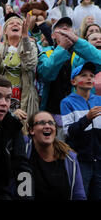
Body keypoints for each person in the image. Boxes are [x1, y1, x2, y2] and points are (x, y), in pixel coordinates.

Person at [37, 17, 101, 139]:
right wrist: (62, 48)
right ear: (53, 35)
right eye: (60, 28)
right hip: (51, 117)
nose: (65, 29)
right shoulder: (46, 53)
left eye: (68, 28)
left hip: (81, 115)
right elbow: (46, 74)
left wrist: (77, 41)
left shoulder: (81, 55)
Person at [0, 14, 39, 126]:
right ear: (5, 31)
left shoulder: (30, 44)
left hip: (24, 97)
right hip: (2, 96)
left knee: (23, 130)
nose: (15, 24)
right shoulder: (0, 46)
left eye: (18, 23)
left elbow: (30, 64)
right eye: (11, 23)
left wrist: (25, 37)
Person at [61, 62, 101, 200]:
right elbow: (68, 132)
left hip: (99, 160)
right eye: (83, 75)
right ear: (73, 81)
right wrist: (87, 118)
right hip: (81, 160)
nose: (89, 78)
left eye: (91, 75)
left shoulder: (100, 100)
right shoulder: (67, 102)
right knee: (80, 195)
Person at [25, 111, 86, 200]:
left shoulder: (70, 159)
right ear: (31, 130)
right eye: (41, 123)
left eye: (51, 123)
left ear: (55, 130)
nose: (47, 126)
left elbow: (79, 195)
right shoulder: (23, 150)